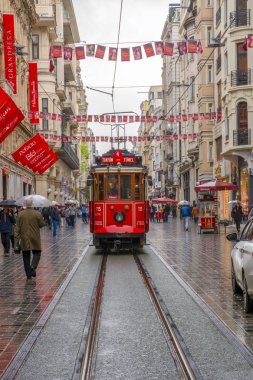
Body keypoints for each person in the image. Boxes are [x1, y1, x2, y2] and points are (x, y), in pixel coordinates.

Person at [15, 197, 45, 280]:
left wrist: (16, 239)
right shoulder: (37, 213)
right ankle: (32, 267)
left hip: (24, 238)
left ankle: (28, 274)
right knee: (37, 253)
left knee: (26, 255)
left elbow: (17, 228)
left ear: (25, 204)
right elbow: (42, 224)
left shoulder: (20, 214)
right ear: (32, 204)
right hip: (35, 237)